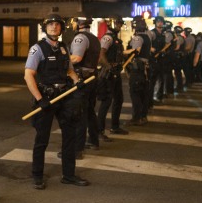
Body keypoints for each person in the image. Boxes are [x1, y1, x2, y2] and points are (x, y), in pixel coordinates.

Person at [24, 14, 89, 190]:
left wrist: (77, 81)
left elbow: (69, 70)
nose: (54, 27)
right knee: (41, 139)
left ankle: (69, 175)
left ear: (61, 28)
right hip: (46, 98)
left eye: (57, 25)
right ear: (45, 28)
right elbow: (28, 75)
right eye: (50, 25)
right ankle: (37, 175)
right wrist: (40, 99)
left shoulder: (63, 48)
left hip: (64, 96)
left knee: (69, 137)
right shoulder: (37, 49)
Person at [69, 14, 101, 149]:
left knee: (79, 112)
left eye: (74, 22)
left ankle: (77, 148)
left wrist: (60, 60)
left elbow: (76, 58)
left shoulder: (80, 38)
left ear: (79, 23)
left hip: (82, 79)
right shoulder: (94, 38)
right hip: (92, 78)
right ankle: (94, 140)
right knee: (89, 111)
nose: (72, 24)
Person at [97, 15, 129, 137]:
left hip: (115, 73)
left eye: (120, 24)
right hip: (108, 74)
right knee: (106, 101)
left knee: (119, 99)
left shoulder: (115, 38)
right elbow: (101, 55)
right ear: (111, 24)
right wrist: (109, 67)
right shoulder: (107, 38)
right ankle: (99, 130)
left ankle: (115, 126)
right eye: (118, 23)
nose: (119, 26)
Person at [124, 15, 151, 126]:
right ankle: (143, 117)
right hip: (145, 69)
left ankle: (136, 118)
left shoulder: (137, 37)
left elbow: (136, 51)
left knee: (135, 93)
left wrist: (123, 52)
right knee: (144, 94)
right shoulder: (147, 37)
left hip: (138, 69)